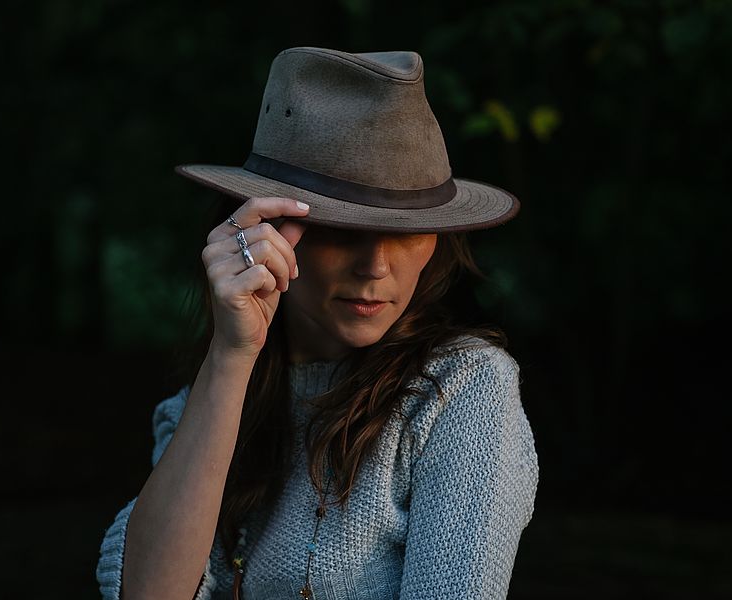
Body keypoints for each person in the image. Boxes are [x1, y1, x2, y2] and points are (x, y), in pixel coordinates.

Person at [96, 46, 538, 600]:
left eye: (406, 232)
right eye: (340, 229)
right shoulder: (202, 407)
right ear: (263, 229)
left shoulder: (459, 391)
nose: (376, 267)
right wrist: (232, 359)